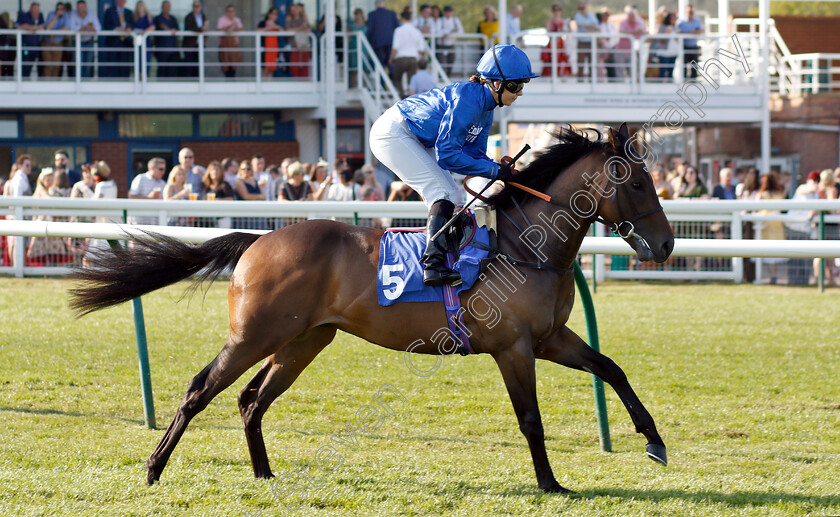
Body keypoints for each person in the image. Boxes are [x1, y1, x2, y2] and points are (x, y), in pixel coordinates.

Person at [370, 44, 537, 286]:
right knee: (443, 192)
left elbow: (475, 155)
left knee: (453, 196)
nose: (520, 92)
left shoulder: (487, 107)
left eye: (523, 85)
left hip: (416, 136)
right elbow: (447, 157)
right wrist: (494, 171)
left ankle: (445, 257)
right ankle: (432, 265)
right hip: (393, 133)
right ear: (496, 84)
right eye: (516, 85)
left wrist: (505, 173)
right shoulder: (468, 101)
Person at [391, 10, 425, 99]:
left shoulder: (398, 30)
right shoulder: (416, 31)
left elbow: (395, 47)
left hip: (401, 58)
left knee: (397, 78)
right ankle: (411, 98)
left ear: (402, 18)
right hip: (413, 58)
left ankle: (402, 95)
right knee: (412, 80)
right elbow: (422, 50)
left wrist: (391, 58)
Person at [101, 0, 134, 78]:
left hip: (125, 43)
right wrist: (116, 29)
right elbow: (106, 25)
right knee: (113, 66)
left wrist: (129, 29)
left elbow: (132, 25)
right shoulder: (109, 11)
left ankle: (125, 82)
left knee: (124, 66)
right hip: (114, 42)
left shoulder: (129, 12)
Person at [128, 157, 166, 225]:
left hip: (155, 222)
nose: (163, 172)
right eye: (161, 169)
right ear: (152, 168)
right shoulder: (140, 178)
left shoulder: (163, 183)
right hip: (139, 221)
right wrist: (148, 197)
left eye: (164, 169)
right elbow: (131, 196)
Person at [67, 0, 99, 78]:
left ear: (86, 7)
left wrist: (92, 28)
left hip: (89, 42)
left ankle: (86, 83)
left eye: (82, 7)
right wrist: (83, 27)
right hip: (77, 42)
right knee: (78, 64)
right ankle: (78, 82)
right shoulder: (73, 14)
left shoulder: (91, 14)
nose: (80, 9)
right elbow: (71, 28)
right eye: (79, 7)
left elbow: (98, 27)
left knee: (88, 65)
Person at [15, 2, 45, 78]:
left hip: (36, 46)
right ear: (30, 9)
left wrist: (36, 28)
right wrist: (30, 27)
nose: (36, 11)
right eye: (34, 9)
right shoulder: (24, 16)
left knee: (37, 67)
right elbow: (17, 26)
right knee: (25, 68)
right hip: (26, 46)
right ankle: (23, 84)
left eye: (37, 9)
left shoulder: (40, 16)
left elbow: (43, 26)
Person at [367, 0, 399, 68]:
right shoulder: (391, 14)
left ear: (376, 5)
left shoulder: (372, 15)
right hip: (390, 41)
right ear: (383, 4)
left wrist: (370, 42)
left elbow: (370, 30)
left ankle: (381, 78)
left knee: (379, 62)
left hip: (377, 43)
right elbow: (397, 28)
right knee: (390, 61)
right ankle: (392, 76)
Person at [542, 4, 571, 78]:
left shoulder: (563, 21)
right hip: (552, 42)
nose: (556, 12)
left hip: (560, 42)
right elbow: (548, 31)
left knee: (561, 58)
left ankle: (560, 74)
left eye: (558, 10)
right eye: (555, 10)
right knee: (551, 58)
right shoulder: (549, 21)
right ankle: (550, 75)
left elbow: (568, 31)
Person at [616, 7, 645, 80]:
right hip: (622, 49)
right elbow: (622, 31)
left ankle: (634, 82)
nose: (632, 17)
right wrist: (635, 32)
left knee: (633, 68)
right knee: (620, 68)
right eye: (630, 15)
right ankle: (620, 83)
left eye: (633, 15)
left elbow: (643, 32)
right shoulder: (623, 23)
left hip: (633, 50)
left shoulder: (639, 23)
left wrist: (635, 32)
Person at [43, 2, 70, 78]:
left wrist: (55, 32)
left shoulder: (66, 16)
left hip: (58, 43)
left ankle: (54, 83)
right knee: (47, 65)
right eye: (58, 9)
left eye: (61, 9)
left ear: (64, 10)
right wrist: (56, 16)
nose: (59, 10)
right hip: (47, 42)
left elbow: (67, 28)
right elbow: (48, 27)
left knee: (56, 66)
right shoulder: (51, 14)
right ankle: (47, 83)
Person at [153, 0, 180, 79]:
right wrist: (169, 30)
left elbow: (177, 29)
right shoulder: (158, 18)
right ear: (162, 8)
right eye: (165, 7)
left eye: (168, 7)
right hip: (162, 50)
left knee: (172, 71)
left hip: (173, 50)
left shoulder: (173, 19)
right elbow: (162, 26)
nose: (166, 8)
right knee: (162, 71)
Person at [573, 2, 599, 80]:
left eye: (583, 8)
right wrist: (590, 27)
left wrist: (586, 26)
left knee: (592, 62)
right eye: (580, 8)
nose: (582, 10)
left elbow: (596, 26)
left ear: (586, 7)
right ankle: (580, 80)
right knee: (580, 62)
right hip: (582, 42)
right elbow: (581, 26)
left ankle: (592, 80)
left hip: (591, 42)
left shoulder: (591, 15)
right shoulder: (577, 16)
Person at [182, 0, 207, 79]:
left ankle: (198, 81)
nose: (196, 8)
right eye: (194, 6)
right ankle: (189, 83)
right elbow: (189, 28)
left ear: (201, 7)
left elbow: (205, 29)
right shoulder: (188, 17)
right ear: (192, 7)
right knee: (189, 66)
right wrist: (201, 29)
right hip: (190, 45)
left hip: (199, 45)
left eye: (198, 6)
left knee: (198, 66)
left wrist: (205, 39)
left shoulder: (203, 16)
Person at [217, 4, 243, 79]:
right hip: (224, 46)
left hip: (234, 45)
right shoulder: (221, 19)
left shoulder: (237, 20)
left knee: (234, 65)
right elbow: (219, 29)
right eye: (229, 11)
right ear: (226, 12)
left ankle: (232, 82)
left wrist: (232, 29)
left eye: (232, 11)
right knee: (225, 66)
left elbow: (241, 29)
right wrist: (230, 26)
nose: (231, 13)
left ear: (235, 12)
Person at [677, 4, 703, 79]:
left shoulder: (697, 21)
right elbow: (678, 31)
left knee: (694, 65)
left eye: (692, 12)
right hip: (684, 46)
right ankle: (684, 80)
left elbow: (700, 30)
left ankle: (694, 80)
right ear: (686, 12)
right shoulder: (681, 22)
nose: (690, 13)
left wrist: (690, 32)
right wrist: (691, 32)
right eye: (689, 12)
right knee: (684, 65)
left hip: (694, 46)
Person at [285, 3, 311, 78]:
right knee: (294, 66)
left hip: (303, 44)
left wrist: (304, 26)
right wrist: (300, 28)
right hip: (293, 45)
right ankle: (296, 81)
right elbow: (287, 30)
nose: (295, 11)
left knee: (304, 64)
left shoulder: (304, 18)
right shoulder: (289, 18)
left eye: (296, 9)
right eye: (293, 9)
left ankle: (305, 81)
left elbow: (308, 29)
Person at [436, 6, 462, 76]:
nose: (448, 13)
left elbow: (461, 31)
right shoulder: (440, 20)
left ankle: (448, 78)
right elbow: (438, 31)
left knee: (450, 64)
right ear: (444, 12)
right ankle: (442, 78)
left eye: (450, 12)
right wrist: (450, 31)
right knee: (442, 64)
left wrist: (449, 33)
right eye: (447, 12)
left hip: (451, 45)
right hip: (442, 46)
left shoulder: (455, 20)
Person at [654, 11, 677, 81]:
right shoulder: (662, 27)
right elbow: (660, 39)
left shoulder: (675, 27)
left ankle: (670, 83)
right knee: (663, 71)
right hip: (664, 52)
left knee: (671, 71)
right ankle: (660, 85)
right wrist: (667, 33)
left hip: (673, 52)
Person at [258, 8, 281, 78]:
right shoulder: (263, 23)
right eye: (273, 13)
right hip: (265, 49)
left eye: (276, 14)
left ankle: (269, 85)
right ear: (269, 14)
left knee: (271, 69)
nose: (275, 16)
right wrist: (268, 28)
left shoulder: (277, 24)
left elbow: (283, 31)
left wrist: (277, 27)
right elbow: (257, 30)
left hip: (274, 49)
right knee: (265, 69)